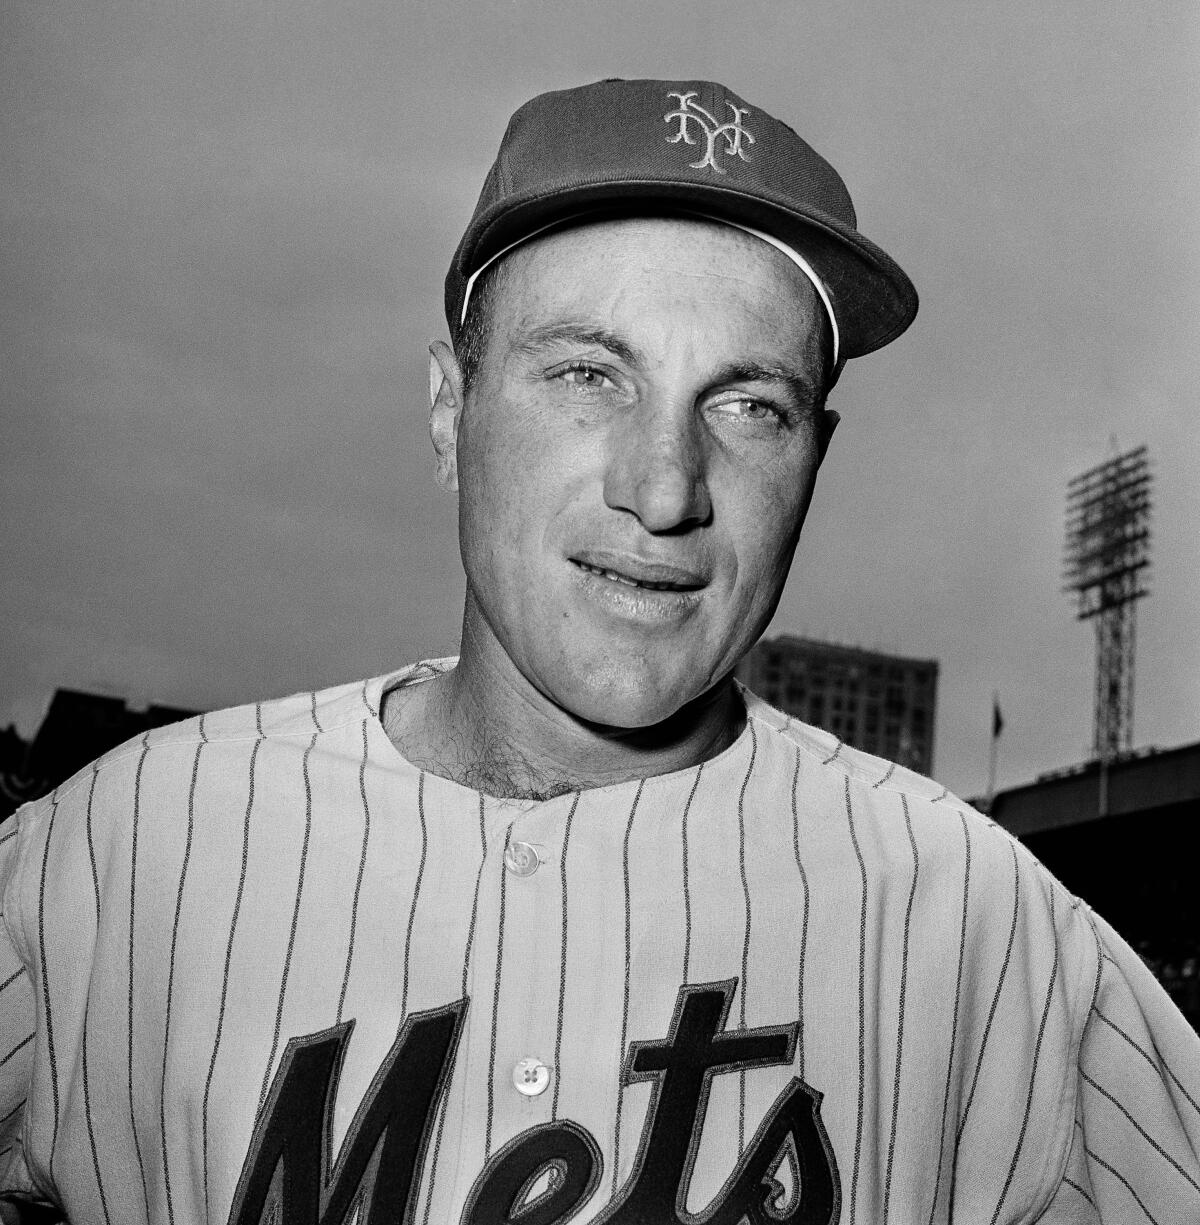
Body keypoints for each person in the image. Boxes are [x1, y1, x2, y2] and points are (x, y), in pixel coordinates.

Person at [1, 77, 1197, 1225]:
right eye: (587, 373)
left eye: (750, 406)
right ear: (447, 412)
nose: (666, 487)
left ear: (814, 459)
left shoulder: (988, 928)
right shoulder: (114, 860)